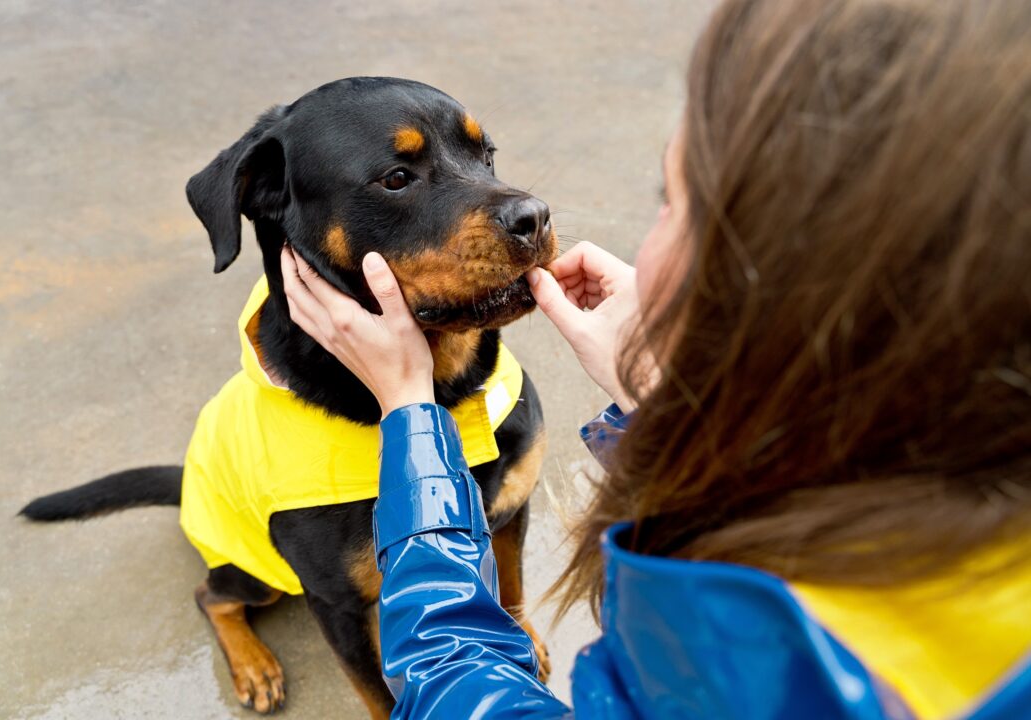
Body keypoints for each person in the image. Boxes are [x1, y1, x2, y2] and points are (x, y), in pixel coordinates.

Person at [279, 0, 1031, 716]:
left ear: (786, 274)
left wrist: (411, 415)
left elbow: (453, 694)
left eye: (672, 202)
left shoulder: (738, 664)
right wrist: (665, 397)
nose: (528, 210)